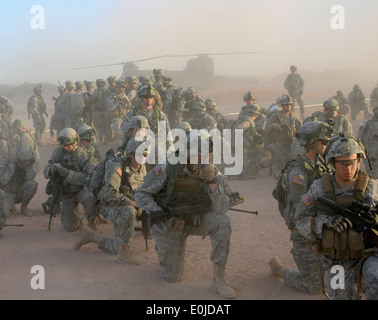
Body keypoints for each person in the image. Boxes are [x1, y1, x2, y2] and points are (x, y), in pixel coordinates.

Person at [135, 130, 236, 299]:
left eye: (207, 155)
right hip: (171, 224)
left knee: (222, 222)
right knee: (172, 277)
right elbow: (141, 194)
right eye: (198, 154)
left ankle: (219, 280)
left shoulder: (213, 172)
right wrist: (165, 219)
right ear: (187, 153)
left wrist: (211, 181)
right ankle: (164, 249)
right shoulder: (169, 168)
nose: (204, 159)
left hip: (197, 220)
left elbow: (222, 208)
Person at [295, 133, 378, 300]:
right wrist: (325, 222)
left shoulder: (372, 186)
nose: (348, 168)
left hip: (369, 254)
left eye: (352, 163)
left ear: (358, 161)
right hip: (337, 259)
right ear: (332, 163)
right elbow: (300, 220)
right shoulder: (319, 188)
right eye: (342, 164)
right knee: (340, 296)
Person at [269, 121, 334, 295]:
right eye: (323, 142)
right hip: (304, 233)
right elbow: (298, 213)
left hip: (322, 226)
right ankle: (281, 271)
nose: (327, 145)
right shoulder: (298, 172)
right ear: (312, 143)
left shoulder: (321, 164)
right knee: (314, 287)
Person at [73, 138, 148, 265]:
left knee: (116, 246)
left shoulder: (142, 168)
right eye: (140, 154)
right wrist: (132, 203)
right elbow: (109, 194)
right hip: (107, 205)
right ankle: (123, 252)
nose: (143, 157)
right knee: (129, 211)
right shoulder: (117, 167)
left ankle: (91, 237)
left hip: (124, 203)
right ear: (131, 154)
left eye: (145, 154)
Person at [43, 128, 98, 232]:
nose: (66, 148)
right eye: (64, 145)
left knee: (90, 199)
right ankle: (83, 221)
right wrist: (51, 170)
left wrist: (67, 173)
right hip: (66, 192)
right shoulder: (58, 153)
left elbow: (89, 177)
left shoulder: (84, 155)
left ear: (76, 142)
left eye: (69, 145)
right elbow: (47, 168)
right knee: (71, 227)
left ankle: (91, 222)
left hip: (81, 189)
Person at [265, 94, 302, 170]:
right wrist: (273, 126)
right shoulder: (276, 116)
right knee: (281, 164)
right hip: (281, 142)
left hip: (292, 141)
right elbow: (266, 128)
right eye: (286, 105)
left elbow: (301, 129)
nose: (288, 107)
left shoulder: (294, 116)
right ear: (282, 106)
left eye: (290, 105)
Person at [233, 104, 269, 179]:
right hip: (243, 148)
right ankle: (246, 171)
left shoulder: (245, 119)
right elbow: (238, 131)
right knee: (260, 150)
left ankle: (246, 169)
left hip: (242, 147)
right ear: (255, 114)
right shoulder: (247, 122)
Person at [0, 150, 38, 218]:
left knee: (33, 184)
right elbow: (3, 181)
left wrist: (27, 167)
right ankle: (10, 205)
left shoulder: (28, 164)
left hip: (18, 192)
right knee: (4, 215)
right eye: (22, 163)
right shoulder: (5, 161)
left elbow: (30, 178)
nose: (23, 165)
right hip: (6, 194)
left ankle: (24, 207)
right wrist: (11, 167)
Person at [108, 79, 132, 148]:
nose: (123, 89)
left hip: (124, 118)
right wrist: (116, 103)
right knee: (118, 134)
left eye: (124, 87)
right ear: (117, 87)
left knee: (125, 135)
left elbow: (129, 105)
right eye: (121, 87)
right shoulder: (113, 96)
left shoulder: (124, 96)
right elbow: (110, 107)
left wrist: (126, 105)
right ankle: (119, 150)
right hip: (116, 118)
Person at [88, 79, 112, 145]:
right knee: (107, 126)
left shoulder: (97, 93)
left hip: (98, 112)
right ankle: (107, 141)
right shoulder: (108, 92)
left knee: (99, 127)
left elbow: (90, 100)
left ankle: (100, 141)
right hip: (106, 112)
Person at [358, 106, 378, 178]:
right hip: (374, 156)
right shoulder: (375, 125)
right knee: (374, 177)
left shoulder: (368, 123)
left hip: (367, 154)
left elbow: (359, 137)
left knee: (371, 174)